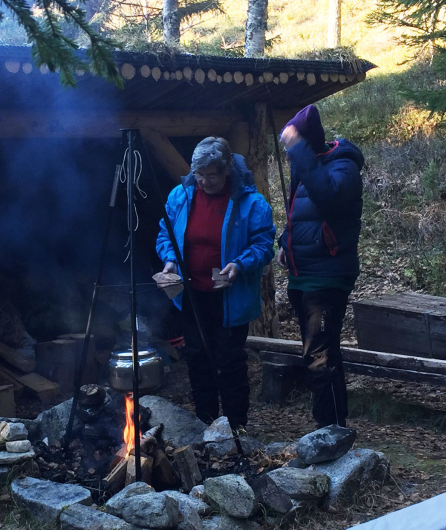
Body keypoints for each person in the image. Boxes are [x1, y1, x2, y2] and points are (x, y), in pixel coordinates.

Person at [156, 137, 275, 431]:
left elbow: (264, 245)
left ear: (227, 172)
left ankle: (236, 429)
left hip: (229, 296)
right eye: (199, 174)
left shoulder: (250, 203)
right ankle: (205, 425)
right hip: (192, 295)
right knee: (196, 358)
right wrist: (170, 260)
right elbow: (165, 235)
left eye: (211, 175)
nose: (204, 181)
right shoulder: (180, 197)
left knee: (229, 361)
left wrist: (239, 264)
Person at [277, 104, 365, 428]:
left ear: (306, 143)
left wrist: (298, 150)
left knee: (318, 358)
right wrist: (285, 245)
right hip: (302, 276)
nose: (289, 154)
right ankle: (336, 426)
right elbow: (298, 216)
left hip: (327, 276)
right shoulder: (306, 165)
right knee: (324, 354)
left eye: (294, 146)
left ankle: (327, 431)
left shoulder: (343, 165)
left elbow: (328, 196)